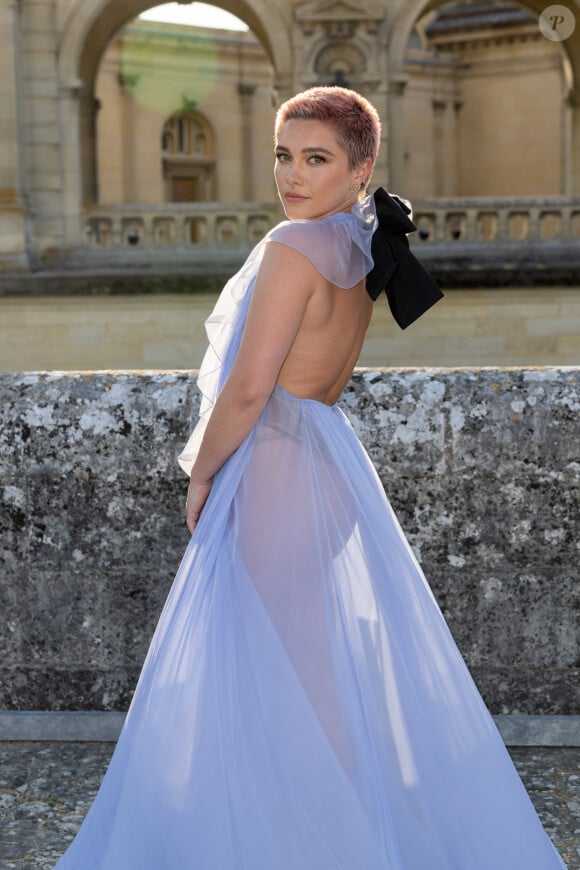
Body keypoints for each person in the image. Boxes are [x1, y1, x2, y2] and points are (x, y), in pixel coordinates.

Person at [54, 87, 567, 868]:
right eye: (283, 156)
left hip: (275, 469)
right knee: (313, 662)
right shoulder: (358, 247)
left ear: (362, 168)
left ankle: (318, 842)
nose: (292, 176)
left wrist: (200, 472)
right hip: (327, 462)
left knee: (280, 667)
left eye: (316, 159)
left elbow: (252, 386)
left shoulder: (294, 249)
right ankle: (339, 829)